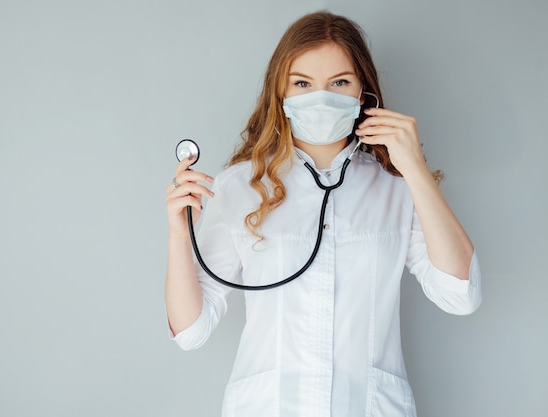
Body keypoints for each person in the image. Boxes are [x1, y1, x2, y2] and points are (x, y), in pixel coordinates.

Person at [164, 11, 481, 417]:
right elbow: (190, 331)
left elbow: (461, 296)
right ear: (280, 93)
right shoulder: (238, 187)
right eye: (302, 83)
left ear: (364, 93)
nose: (321, 97)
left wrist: (414, 167)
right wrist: (178, 234)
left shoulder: (398, 188)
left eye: (340, 82)